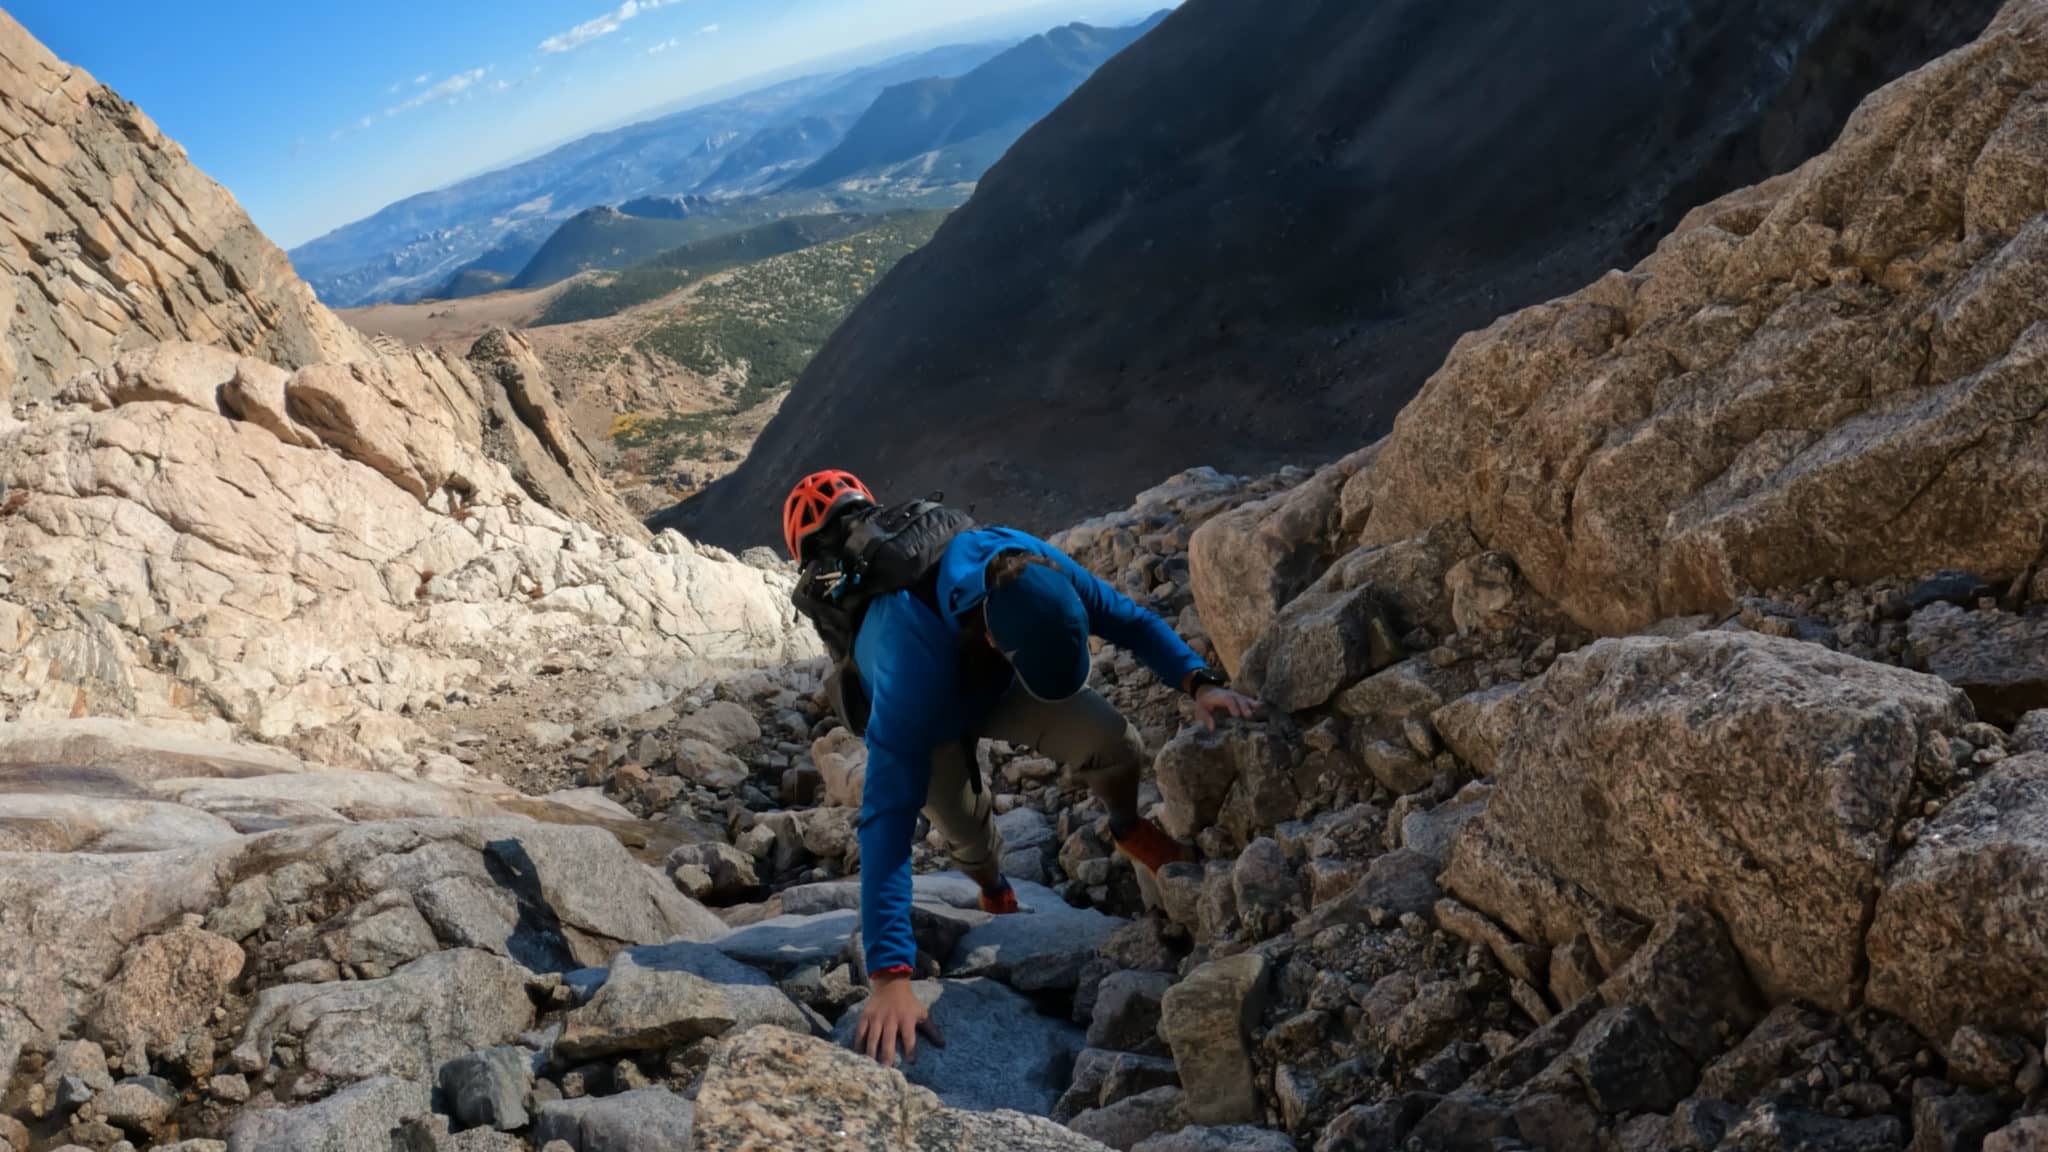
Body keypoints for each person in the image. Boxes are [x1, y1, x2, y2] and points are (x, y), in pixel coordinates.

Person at [780, 470, 1259, 1068]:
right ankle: (992, 888)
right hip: (930, 711)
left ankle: (1128, 827)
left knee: (1114, 742)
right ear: (989, 628)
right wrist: (891, 978)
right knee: (965, 830)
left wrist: (1199, 681)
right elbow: (885, 823)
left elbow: (1130, 620)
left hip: (999, 681)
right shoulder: (905, 655)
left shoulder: (1025, 556)